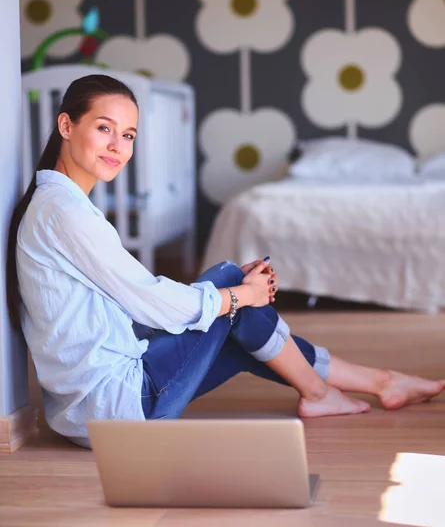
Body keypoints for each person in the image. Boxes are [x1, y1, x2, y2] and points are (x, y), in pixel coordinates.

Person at [6, 75, 444, 449]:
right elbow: (152, 303)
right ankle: (337, 388)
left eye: (128, 135)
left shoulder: (57, 204)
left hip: (87, 410)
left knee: (238, 316)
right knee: (234, 293)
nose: (117, 146)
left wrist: (235, 295)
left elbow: (139, 305)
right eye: (104, 128)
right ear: (66, 124)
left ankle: (365, 384)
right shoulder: (63, 213)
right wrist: (242, 293)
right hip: (119, 408)